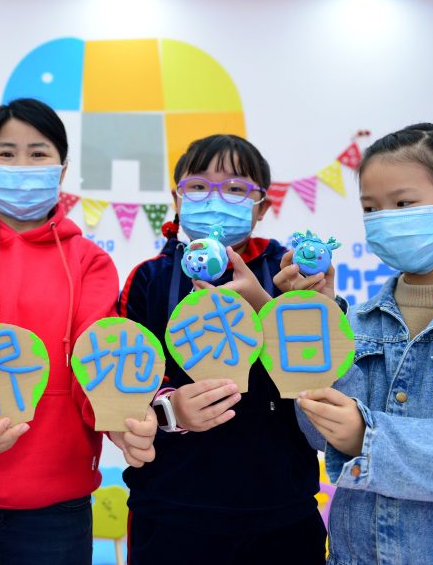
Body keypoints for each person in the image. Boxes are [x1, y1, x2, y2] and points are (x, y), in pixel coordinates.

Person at [0, 98, 157, 565]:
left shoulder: (90, 260)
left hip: (56, 507)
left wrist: (118, 418)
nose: (22, 165)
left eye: (38, 153)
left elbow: (95, 357)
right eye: (6, 153)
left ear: (61, 169)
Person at [298, 123, 433, 564]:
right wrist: (317, 320)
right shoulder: (354, 322)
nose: (384, 219)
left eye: (403, 203)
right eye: (371, 208)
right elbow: (316, 432)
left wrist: (370, 437)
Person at [121, 135, 329, 564]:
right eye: (198, 186)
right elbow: (126, 377)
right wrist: (170, 409)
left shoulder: (289, 272)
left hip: (280, 507)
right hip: (172, 506)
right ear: (176, 199)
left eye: (235, 189)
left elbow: (319, 374)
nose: (215, 198)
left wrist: (268, 305)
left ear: (262, 206)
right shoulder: (149, 278)